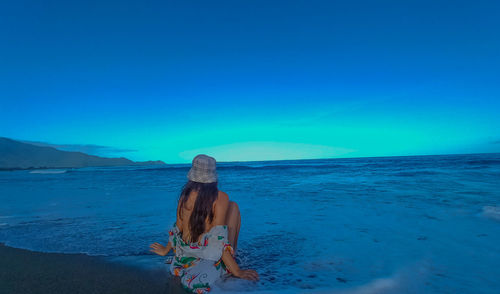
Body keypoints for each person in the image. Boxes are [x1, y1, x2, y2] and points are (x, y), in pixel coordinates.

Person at [150, 154, 259, 293]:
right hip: (209, 256)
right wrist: (237, 271)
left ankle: (226, 259)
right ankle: (232, 258)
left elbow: (177, 228)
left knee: (229, 208)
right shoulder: (220, 197)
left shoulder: (184, 196)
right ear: (213, 175)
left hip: (184, 254)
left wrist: (166, 250)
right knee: (234, 207)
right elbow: (218, 239)